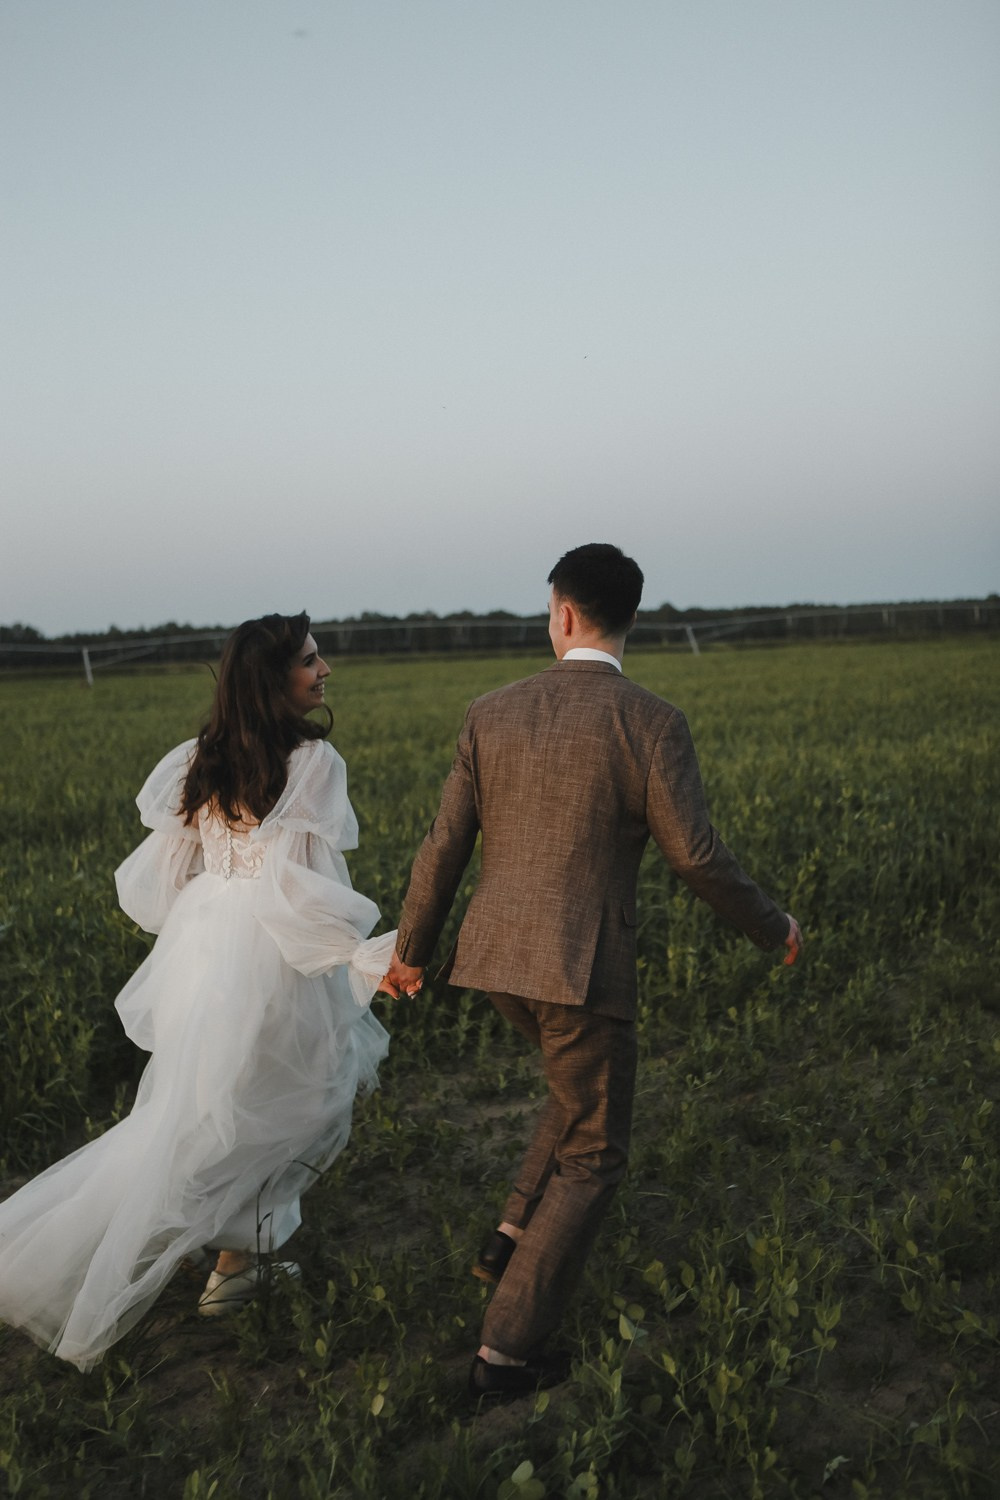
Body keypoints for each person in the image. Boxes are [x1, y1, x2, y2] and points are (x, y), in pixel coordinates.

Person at [387, 543, 802, 1402]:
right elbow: (696, 854)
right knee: (594, 1156)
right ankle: (504, 1355)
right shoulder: (651, 721)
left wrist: (411, 953)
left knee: (573, 1095)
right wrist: (775, 927)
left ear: (564, 613)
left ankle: (507, 1234)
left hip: (497, 960)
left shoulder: (490, 710)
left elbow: (444, 845)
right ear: (627, 618)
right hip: (583, 969)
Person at [0, 612, 404, 1371]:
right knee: (297, 1098)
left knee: (213, 1102)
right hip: (269, 948)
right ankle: (233, 1263)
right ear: (271, 678)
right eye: (311, 662)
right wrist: (364, 954)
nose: (326, 672)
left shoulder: (200, 756)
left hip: (207, 943)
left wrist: (212, 908)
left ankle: (224, 1240)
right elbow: (294, 888)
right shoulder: (312, 760)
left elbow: (154, 880)